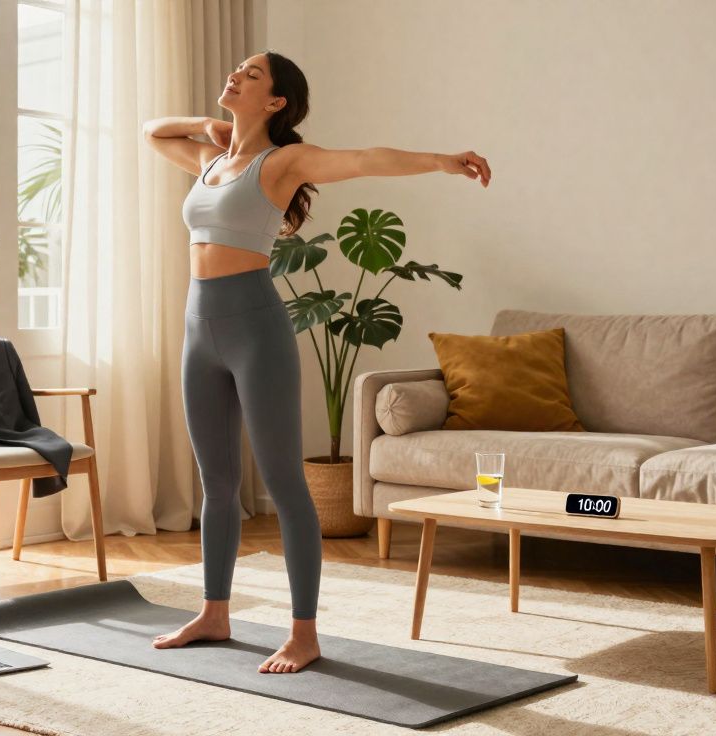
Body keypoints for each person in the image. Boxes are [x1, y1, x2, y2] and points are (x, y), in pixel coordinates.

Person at [141, 50, 491, 674]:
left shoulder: (283, 163)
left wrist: (443, 161)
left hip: (256, 330)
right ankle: (214, 612)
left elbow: (366, 159)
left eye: (253, 75)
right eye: (238, 70)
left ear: (276, 102)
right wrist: (214, 125)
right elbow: (153, 132)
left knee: (284, 484)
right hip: (198, 332)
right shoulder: (210, 161)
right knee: (216, 486)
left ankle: (304, 632)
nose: (236, 76)